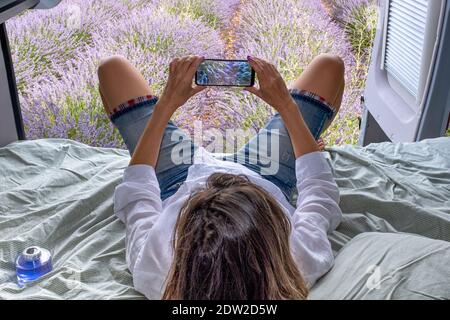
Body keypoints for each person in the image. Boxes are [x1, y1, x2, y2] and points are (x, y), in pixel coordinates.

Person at [98, 53, 344, 299]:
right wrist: (285, 105)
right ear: (273, 230)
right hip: (267, 175)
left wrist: (167, 104)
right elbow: (318, 188)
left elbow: (138, 187)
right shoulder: (296, 262)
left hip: (178, 180)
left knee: (112, 69)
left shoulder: (155, 268)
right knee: (329, 66)